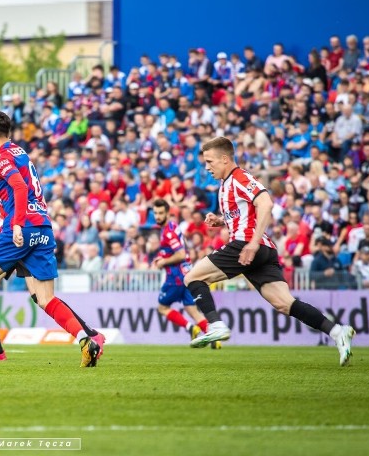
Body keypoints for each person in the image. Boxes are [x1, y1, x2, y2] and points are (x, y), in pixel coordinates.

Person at [185, 136, 355, 366]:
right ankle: (337, 331)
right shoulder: (226, 185)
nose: (207, 167)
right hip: (260, 249)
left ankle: (215, 325)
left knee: (193, 277)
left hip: (247, 245)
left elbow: (265, 203)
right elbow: (244, 216)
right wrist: (221, 221)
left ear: (225, 159)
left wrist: (253, 243)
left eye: (210, 161)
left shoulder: (240, 177)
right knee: (285, 303)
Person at [0, 111, 100, 367]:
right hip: (43, 227)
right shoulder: (18, 153)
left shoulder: (0, 160)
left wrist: (18, 225)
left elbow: (20, 188)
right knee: (45, 299)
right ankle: (85, 340)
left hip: (19, 229)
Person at [150, 199, 218, 348]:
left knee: (162, 308)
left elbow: (180, 254)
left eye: (161, 213)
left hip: (175, 278)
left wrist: (163, 262)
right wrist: (163, 258)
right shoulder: (173, 227)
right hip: (186, 275)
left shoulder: (168, 232)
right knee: (192, 310)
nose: (157, 216)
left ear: (168, 213)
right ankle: (215, 338)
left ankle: (190, 328)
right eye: (155, 213)